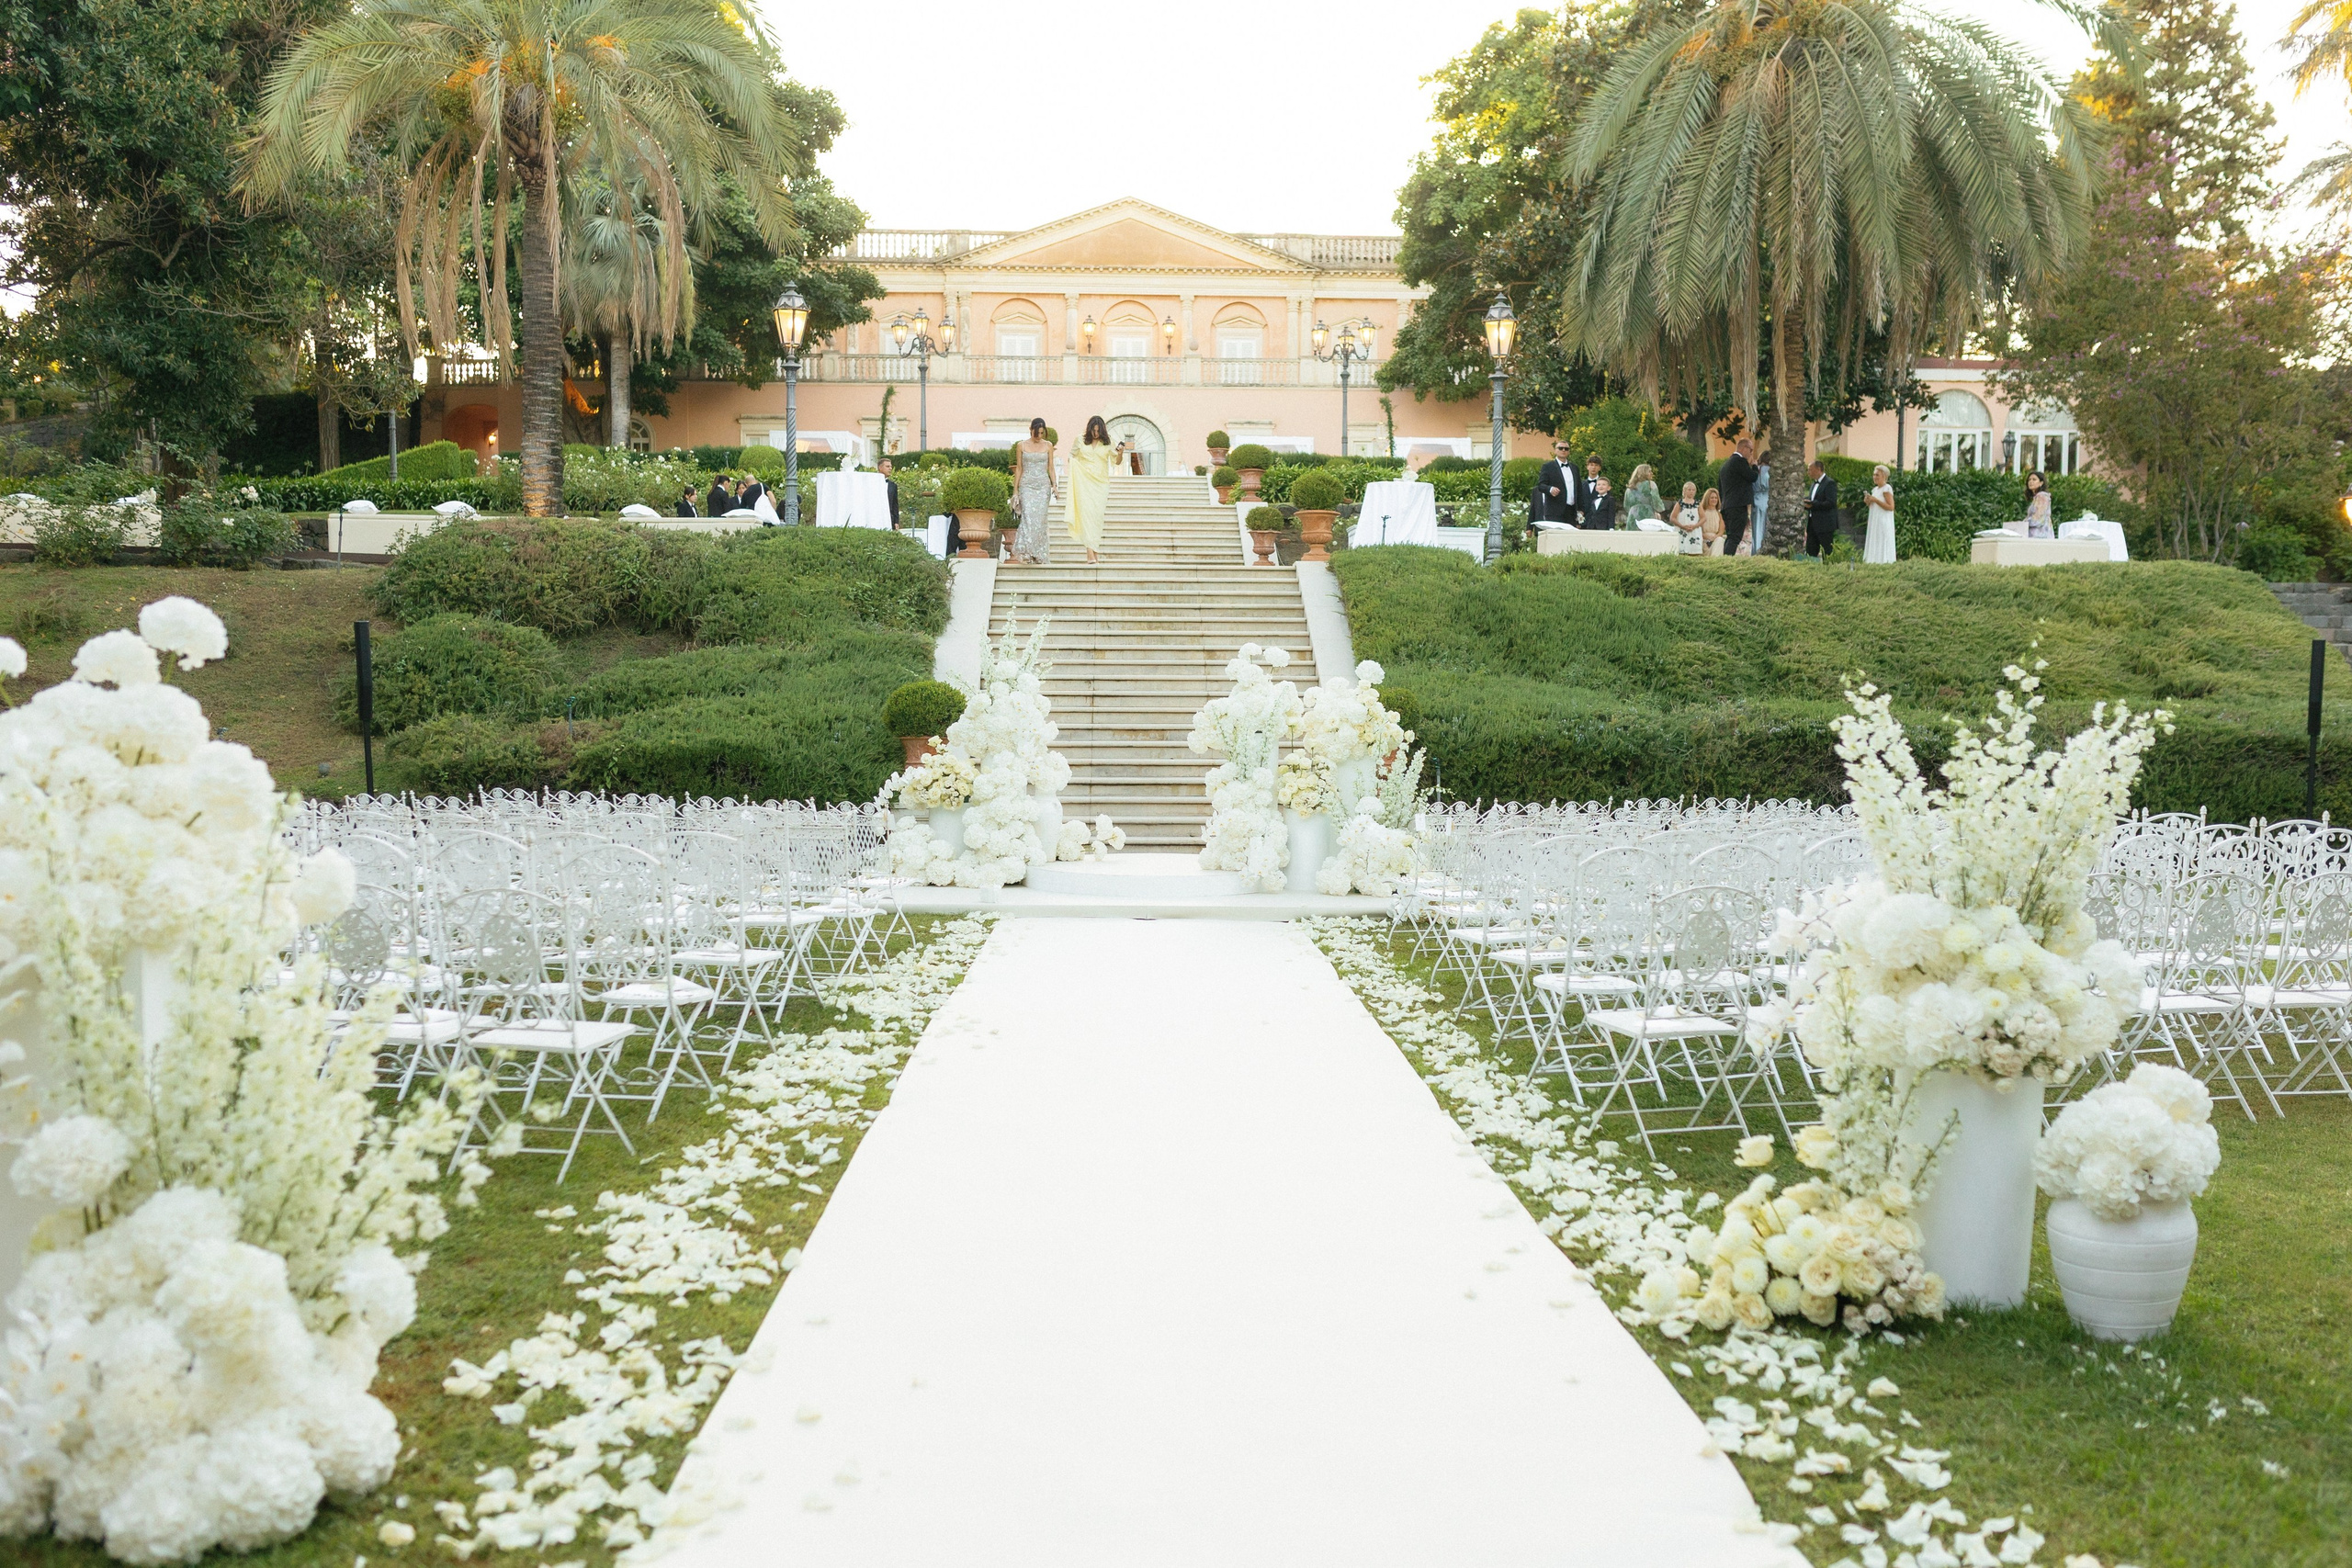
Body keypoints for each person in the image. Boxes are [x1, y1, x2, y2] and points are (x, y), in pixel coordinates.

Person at [1067, 415, 1126, 563]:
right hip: (1083, 482)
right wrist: (1076, 466)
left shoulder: (1108, 441)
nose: (1095, 434)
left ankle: (1094, 550)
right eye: (1093, 430)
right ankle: (1089, 553)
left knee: (1096, 517)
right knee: (1086, 515)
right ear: (1089, 429)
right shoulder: (1080, 439)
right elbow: (1071, 456)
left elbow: (1116, 462)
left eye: (1098, 431)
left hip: (1100, 484)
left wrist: (1120, 453)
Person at [1010, 417, 1057, 565]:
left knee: (1040, 520)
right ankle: (1027, 552)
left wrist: (1054, 485)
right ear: (1030, 430)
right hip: (1026, 485)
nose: (1039, 437)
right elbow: (1019, 468)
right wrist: (1015, 491)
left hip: (1043, 486)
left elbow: (1050, 467)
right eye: (1036, 433)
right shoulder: (1021, 446)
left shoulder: (1048, 445)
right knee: (1028, 518)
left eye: (1042, 433)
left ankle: (1038, 553)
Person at [1718, 437, 1758, 555]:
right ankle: (1727, 562)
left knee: (1730, 537)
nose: (1751, 454)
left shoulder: (1726, 464)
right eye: (1751, 450)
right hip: (1737, 506)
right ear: (1743, 448)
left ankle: (1725, 559)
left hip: (1727, 505)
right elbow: (1752, 477)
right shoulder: (1739, 461)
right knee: (1735, 537)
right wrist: (1754, 466)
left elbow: (1720, 488)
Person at [1532, 438, 1580, 525]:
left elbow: (1579, 489)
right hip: (1554, 510)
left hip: (1571, 511)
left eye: (1566, 449)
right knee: (1556, 536)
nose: (1563, 450)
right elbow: (1541, 485)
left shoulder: (1574, 468)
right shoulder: (1548, 466)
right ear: (1555, 451)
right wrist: (1550, 489)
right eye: (1560, 448)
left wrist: (1580, 509)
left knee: (1570, 537)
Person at [1803, 458, 1838, 558]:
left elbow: (1831, 503)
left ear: (1818, 469)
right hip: (1812, 523)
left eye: (1810, 470)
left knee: (1827, 552)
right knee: (1810, 551)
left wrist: (1813, 504)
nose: (1808, 472)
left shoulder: (1829, 483)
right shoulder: (1814, 483)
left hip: (1825, 524)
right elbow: (1812, 499)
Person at [1865, 465, 1896, 563]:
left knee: (1882, 542)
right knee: (1875, 541)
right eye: (1874, 475)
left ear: (1884, 476)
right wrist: (1868, 501)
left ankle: (1884, 562)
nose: (1875, 477)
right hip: (1875, 521)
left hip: (1883, 521)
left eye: (1877, 475)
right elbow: (1873, 506)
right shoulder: (1875, 490)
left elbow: (1891, 507)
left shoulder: (1886, 489)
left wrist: (1876, 500)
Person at [1623, 463, 1663, 527]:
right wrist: (1658, 510)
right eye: (1649, 471)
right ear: (1643, 473)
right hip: (1647, 513)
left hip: (1632, 515)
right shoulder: (1651, 485)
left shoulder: (1630, 487)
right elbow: (1656, 501)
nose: (1652, 473)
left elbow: (1626, 505)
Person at [1670, 480, 1703, 554]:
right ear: (1684, 491)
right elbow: (1673, 517)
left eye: (1693, 490)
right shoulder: (1680, 503)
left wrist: (1695, 526)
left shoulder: (1698, 504)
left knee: (1694, 551)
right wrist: (1682, 526)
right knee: (1682, 550)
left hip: (1694, 530)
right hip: (1682, 530)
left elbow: (1703, 518)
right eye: (1689, 490)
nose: (1691, 492)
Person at [1578, 456, 1608, 527]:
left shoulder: (1604, 484)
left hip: (1599, 523)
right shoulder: (1580, 485)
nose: (1593, 467)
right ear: (1587, 467)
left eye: (1596, 465)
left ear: (1600, 468)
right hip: (1583, 522)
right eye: (1591, 465)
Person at [2022, 469, 2052, 538]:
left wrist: (2024, 523)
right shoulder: (2037, 497)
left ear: (2041, 483)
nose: (2031, 482)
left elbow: (2038, 518)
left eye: (2034, 479)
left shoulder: (2041, 496)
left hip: (2040, 534)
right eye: (2029, 480)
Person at [1699, 486, 1725, 556]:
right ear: (1707, 499)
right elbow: (1698, 529)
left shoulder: (1719, 514)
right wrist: (1706, 537)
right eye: (1712, 498)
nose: (1714, 500)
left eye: (1716, 498)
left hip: (1715, 540)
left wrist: (1714, 537)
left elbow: (1721, 531)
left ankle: (1715, 561)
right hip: (1703, 540)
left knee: (1720, 540)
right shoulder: (1702, 512)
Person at [1753, 455, 1771, 553]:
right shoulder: (1770, 471)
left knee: (1756, 529)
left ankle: (1755, 550)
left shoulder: (1756, 469)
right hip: (1766, 500)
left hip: (1755, 500)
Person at [877, 457, 901, 530]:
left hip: (889, 519)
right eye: (887, 466)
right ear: (880, 468)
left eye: (891, 466)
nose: (890, 468)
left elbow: (895, 504)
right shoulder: (872, 483)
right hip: (876, 517)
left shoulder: (893, 485)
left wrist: (896, 521)